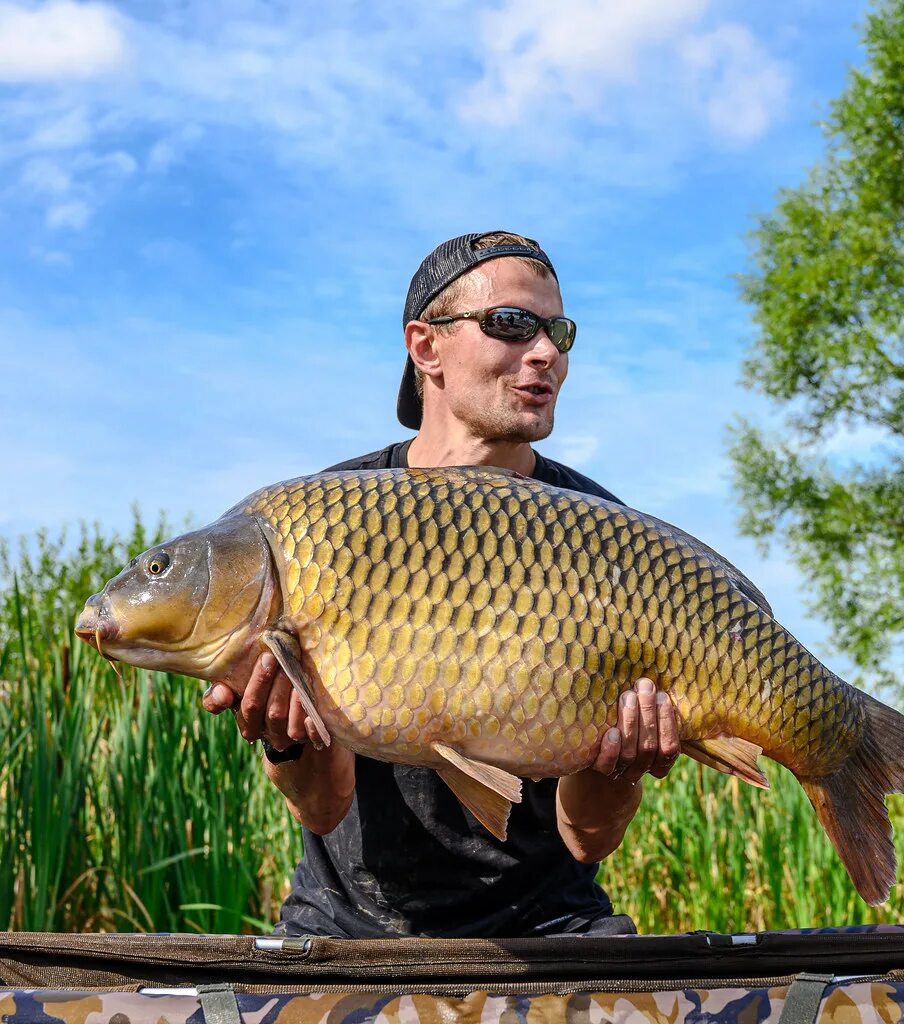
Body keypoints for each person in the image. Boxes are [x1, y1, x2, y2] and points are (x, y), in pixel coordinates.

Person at [202, 231, 681, 937]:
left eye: (559, 331)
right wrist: (285, 737)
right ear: (425, 347)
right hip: (350, 924)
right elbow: (324, 810)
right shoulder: (317, 520)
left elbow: (588, 841)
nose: (547, 353)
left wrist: (620, 765)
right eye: (512, 325)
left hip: (549, 923)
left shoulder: (605, 537)